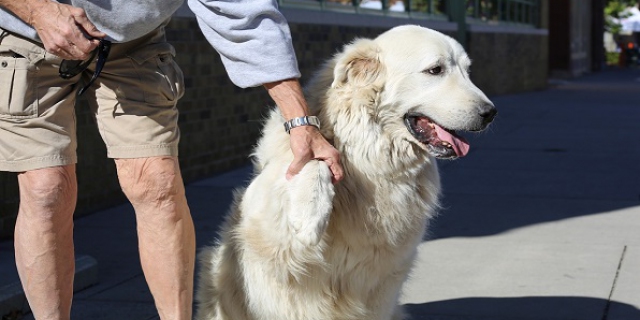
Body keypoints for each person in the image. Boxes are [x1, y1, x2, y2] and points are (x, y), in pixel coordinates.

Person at [0, 0, 343, 319]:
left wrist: (300, 122)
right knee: (47, 189)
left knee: (157, 184)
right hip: (28, 27)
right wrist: (36, 11)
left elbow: (243, 9)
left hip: (133, 40)